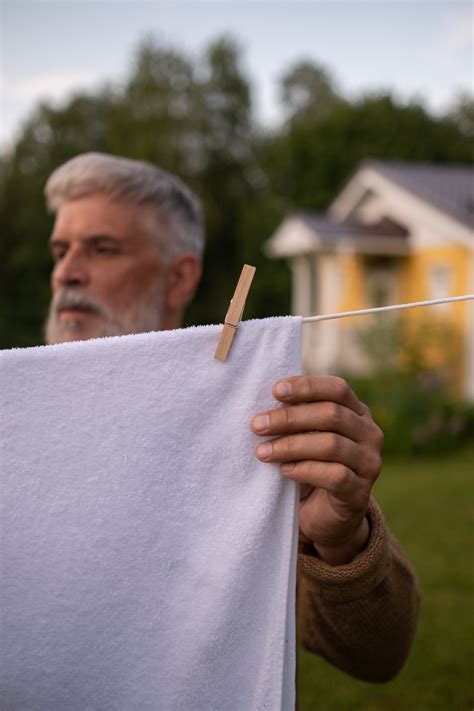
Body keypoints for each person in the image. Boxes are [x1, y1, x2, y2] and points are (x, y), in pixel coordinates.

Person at [44, 152, 420, 682]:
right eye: (60, 250)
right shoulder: (16, 421)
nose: (66, 272)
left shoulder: (252, 424)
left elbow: (379, 655)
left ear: (180, 279)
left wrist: (340, 543)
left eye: (101, 248)